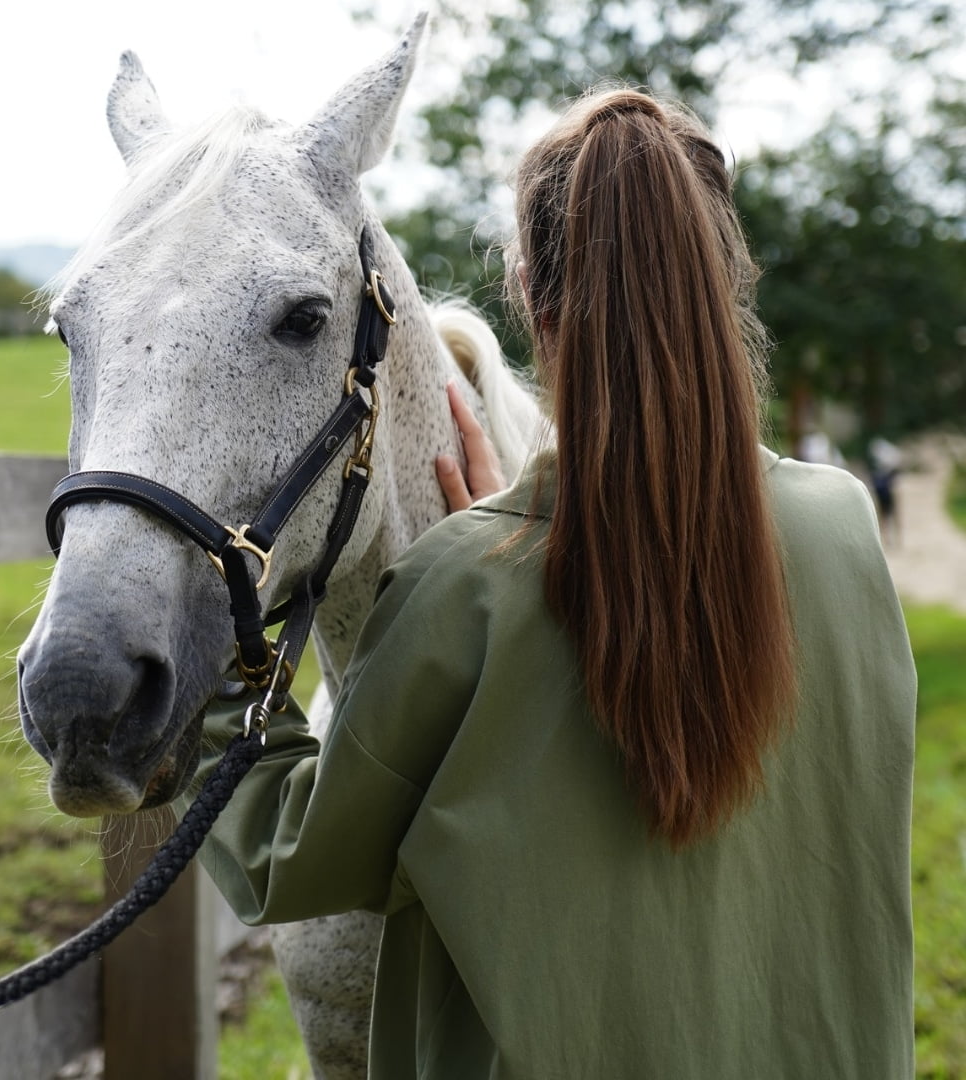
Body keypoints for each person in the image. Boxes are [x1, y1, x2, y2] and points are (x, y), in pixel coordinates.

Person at [183, 89, 916, 1078]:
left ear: (527, 291)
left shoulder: (466, 592)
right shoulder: (842, 529)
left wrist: (224, 665)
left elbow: (295, 857)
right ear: (729, 278)